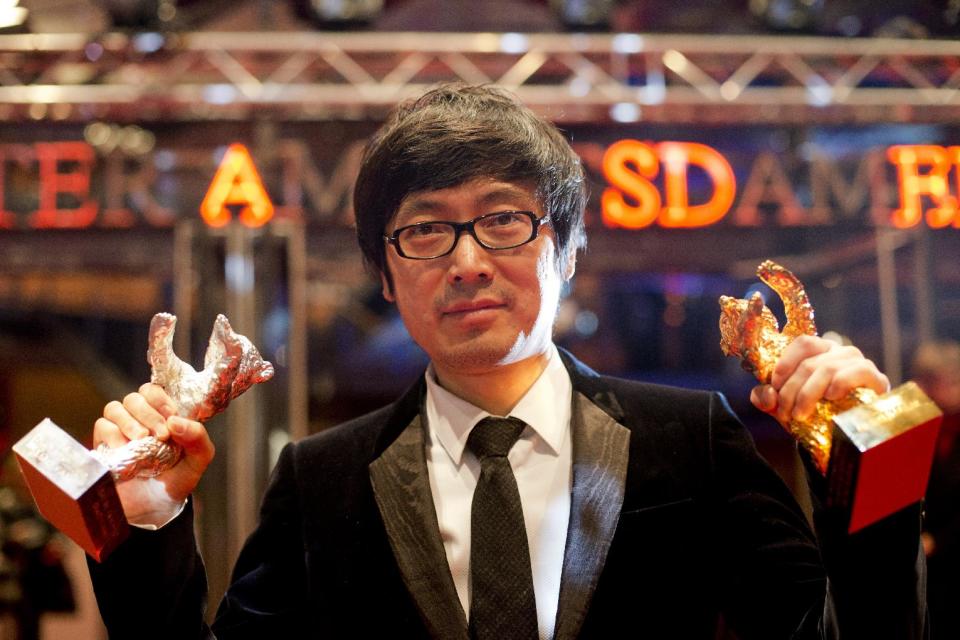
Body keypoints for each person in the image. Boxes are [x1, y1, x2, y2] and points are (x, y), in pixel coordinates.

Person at [87, 84, 926, 639]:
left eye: (504, 220)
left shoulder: (690, 439)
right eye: (425, 229)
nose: (467, 262)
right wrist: (143, 522)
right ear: (385, 273)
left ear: (565, 252)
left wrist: (873, 459)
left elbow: (841, 630)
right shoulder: (323, 477)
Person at [913, 341, 960, 639]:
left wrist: (937, 540)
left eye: (932, 381)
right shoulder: (924, 423)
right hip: (931, 566)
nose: (922, 388)